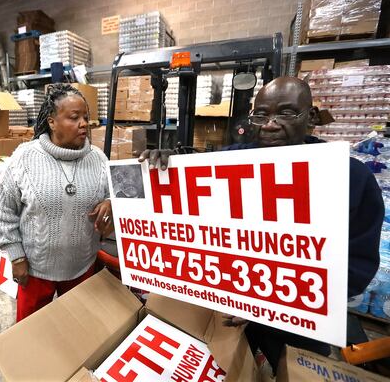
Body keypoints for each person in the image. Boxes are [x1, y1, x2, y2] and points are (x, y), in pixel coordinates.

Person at [138, 76, 383, 372]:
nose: (269, 124)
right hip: (225, 312)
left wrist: (272, 303)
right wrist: (167, 166)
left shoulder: (350, 178)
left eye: (287, 113)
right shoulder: (230, 161)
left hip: (297, 324)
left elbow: (355, 266)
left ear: (312, 117)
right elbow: (193, 206)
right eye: (261, 114)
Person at [0, 84, 113, 322]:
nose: (84, 124)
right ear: (52, 122)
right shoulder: (24, 158)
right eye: (74, 117)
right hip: (35, 271)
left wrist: (110, 201)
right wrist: (16, 257)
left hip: (82, 265)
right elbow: (3, 212)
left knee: (76, 328)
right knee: (32, 333)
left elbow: (116, 193)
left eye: (86, 117)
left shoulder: (98, 159)